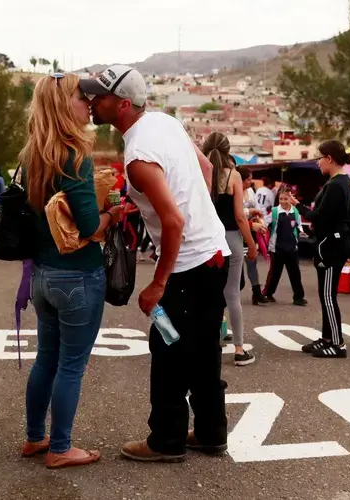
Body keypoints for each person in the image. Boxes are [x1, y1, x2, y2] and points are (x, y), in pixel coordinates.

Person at [81, 64, 230, 463]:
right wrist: (157, 203)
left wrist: (157, 284)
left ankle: (166, 440)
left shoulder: (137, 156)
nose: (93, 102)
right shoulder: (165, 122)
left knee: (167, 350)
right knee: (204, 350)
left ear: (123, 104)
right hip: (216, 254)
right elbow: (206, 170)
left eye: (101, 95)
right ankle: (213, 432)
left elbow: (174, 220)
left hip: (185, 269)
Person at [20, 73, 122, 469]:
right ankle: (61, 447)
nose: (89, 104)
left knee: (46, 358)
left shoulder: (31, 156)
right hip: (77, 275)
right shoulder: (72, 157)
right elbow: (89, 226)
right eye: (82, 98)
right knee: (71, 365)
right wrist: (113, 211)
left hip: (43, 275)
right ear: (65, 105)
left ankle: (34, 438)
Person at [293, 140, 350, 359]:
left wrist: (296, 205)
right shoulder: (340, 182)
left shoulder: (337, 184)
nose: (317, 162)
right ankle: (327, 338)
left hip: (332, 245)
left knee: (328, 296)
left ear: (329, 158)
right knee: (325, 293)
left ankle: (337, 343)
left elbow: (317, 216)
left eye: (319, 158)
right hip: (331, 243)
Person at [203, 132, 258, 367]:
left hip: (207, 239)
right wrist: (252, 245)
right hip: (232, 239)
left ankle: (208, 344)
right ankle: (238, 348)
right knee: (232, 294)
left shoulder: (201, 172)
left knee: (207, 294)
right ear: (228, 151)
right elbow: (239, 216)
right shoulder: (233, 175)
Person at [263, 189, 307, 306]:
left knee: (295, 273)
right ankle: (268, 293)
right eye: (280, 199)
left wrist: (301, 232)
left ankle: (298, 297)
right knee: (274, 273)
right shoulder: (275, 212)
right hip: (277, 248)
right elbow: (264, 222)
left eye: (285, 199)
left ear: (291, 199)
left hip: (292, 247)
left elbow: (299, 226)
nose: (282, 201)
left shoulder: (295, 212)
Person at [240, 166, 268, 305]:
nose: (251, 182)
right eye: (249, 179)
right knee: (237, 266)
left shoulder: (251, 191)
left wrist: (259, 220)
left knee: (252, 263)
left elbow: (256, 209)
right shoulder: (234, 191)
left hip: (251, 230)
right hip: (238, 232)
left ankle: (256, 292)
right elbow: (237, 214)